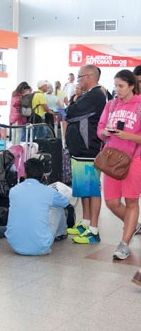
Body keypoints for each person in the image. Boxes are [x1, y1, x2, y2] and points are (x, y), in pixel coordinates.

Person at [97, 70, 141, 260]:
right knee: (111, 202)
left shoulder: (140, 105)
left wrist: (128, 136)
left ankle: (124, 243)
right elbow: (99, 129)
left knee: (131, 200)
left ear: (132, 86)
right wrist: (105, 132)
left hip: (134, 158)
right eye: (115, 85)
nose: (117, 90)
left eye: (121, 86)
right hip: (112, 158)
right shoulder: (111, 104)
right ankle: (133, 225)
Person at [65, 65, 106, 244]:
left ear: (89, 77)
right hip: (79, 150)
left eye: (80, 77)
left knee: (92, 190)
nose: (78, 81)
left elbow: (71, 112)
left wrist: (74, 101)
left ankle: (93, 231)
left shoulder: (96, 95)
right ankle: (85, 222)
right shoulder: (87, 95)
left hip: (89, 150)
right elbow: (71, 110)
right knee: (83, 190)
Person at [5, 158, 69, 255]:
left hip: (15, 245)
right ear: (43, 175)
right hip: (40, 246)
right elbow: (66, 202)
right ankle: (61, 233)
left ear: (25, 174)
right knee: (57, 207)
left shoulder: (13, 190)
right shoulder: (48, 192)